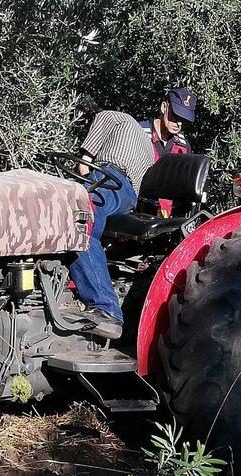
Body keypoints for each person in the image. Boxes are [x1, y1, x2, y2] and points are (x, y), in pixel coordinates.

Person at [69, 110, 154, 339]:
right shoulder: (146, 142)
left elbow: (84, 166)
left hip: (108, 178)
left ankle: (106, 309)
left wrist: (84, 165)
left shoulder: (109, 116)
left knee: (78, 225)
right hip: (128, 196)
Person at [139, 88, 197, 217]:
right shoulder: (139, 132)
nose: (179, 124)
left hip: (168, 219)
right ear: (164, 107)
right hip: (137, 211)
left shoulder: (183, 146)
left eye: (184, 119)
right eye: (175, 116)